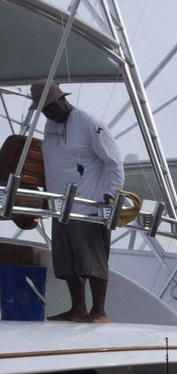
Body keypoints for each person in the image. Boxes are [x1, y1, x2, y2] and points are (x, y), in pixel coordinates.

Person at [32, 81, 123, 323]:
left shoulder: (88, 123)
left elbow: (113, 161)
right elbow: (52, 166)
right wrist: (45, 197)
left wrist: (110, 193)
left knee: (92, 259)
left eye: (51, 106)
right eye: (44, 109)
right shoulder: (50, 126)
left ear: (63, 99)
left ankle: (99, 311)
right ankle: (78, 308)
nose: (50, 112)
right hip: (60, 207)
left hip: (88, 204)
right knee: (67, 262)